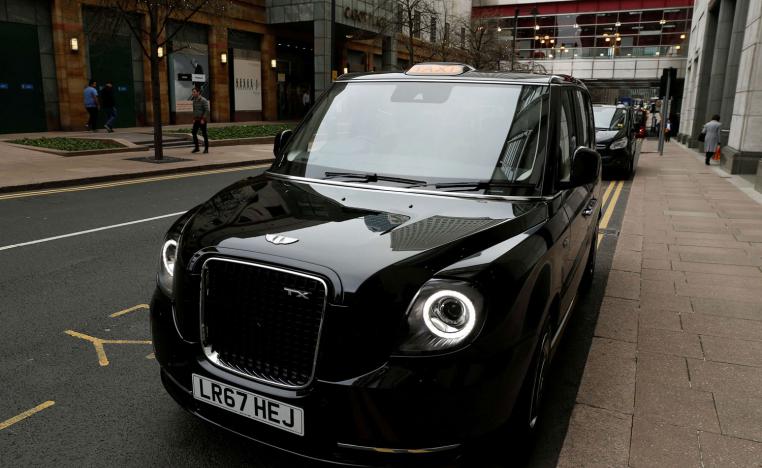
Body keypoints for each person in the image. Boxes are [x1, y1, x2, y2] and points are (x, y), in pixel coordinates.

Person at [191, 87, 210, 154]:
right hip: (196, 119)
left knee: (204, 134)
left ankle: (206, 149)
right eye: (192, 92)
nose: (193, 93)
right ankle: (197, 148)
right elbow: (194, 110)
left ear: (198, 92)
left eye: (194, 92)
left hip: (202, 120)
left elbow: (206, 110)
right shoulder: (194, 100)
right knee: (193, 132)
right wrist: (194, 118)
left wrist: (203, 119)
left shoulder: (203, 100)